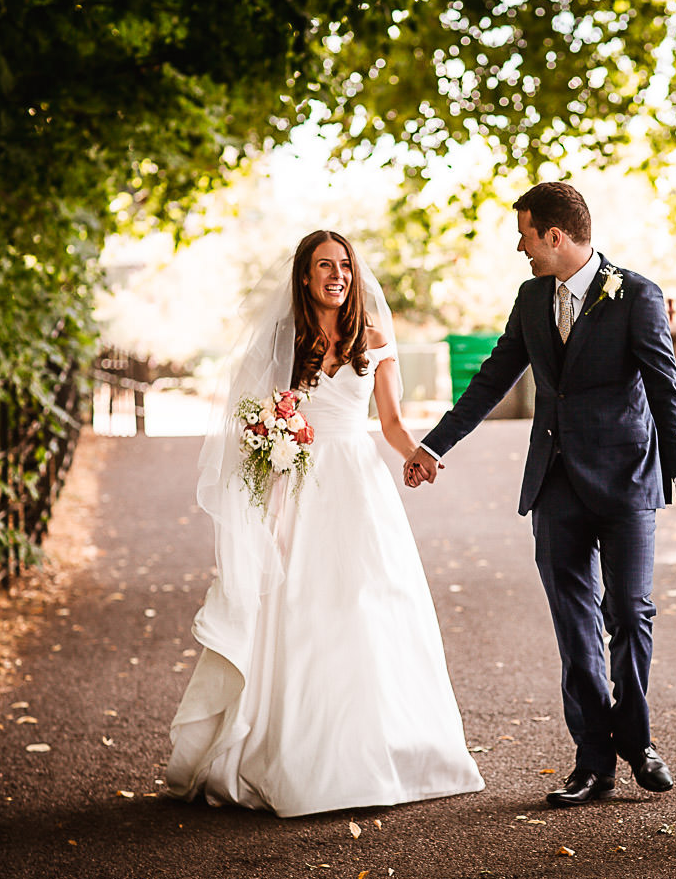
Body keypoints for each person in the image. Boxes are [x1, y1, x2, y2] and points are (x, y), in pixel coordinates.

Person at [404, 182, 676, 807]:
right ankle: (594, 762)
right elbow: (494, 375)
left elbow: (664, 388)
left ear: (555, 235)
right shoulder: (530, 297)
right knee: (575, 627)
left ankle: (637, 738)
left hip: (627, 482)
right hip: (554, 484)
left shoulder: (638, 294)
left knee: (630, 614)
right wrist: (435, 446)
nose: (521, 249)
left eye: (525, 236)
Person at [166, 230, 484, 816]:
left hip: (360, 483)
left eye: (344, 266)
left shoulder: (376, 338)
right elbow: (252, 420)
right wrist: (272, 440)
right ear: (306, 276)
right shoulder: (283, 342)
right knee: (300, 607)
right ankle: (297, 756)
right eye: (324, 266)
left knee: (371, 601)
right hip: (299, 486)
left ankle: (385, 749)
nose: (337, 275)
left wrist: (417, 452)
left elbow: (388, 422)